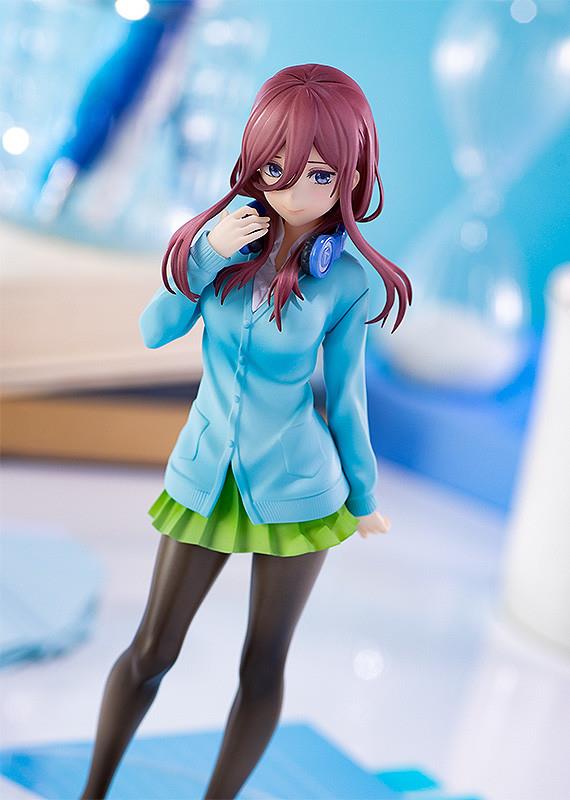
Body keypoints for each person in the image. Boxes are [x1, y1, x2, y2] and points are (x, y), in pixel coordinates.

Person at [80, 63, 412, 800]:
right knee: (151, 650)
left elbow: (347, 402)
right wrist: (204, 254)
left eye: (320, 175)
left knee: (262, 665)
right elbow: (153, 329)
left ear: (351, 177)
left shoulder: (345, 281)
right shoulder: (219, 242)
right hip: (205, 475)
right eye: (276, 167)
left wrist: (363, 498)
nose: (295, 191)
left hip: (300, 487)